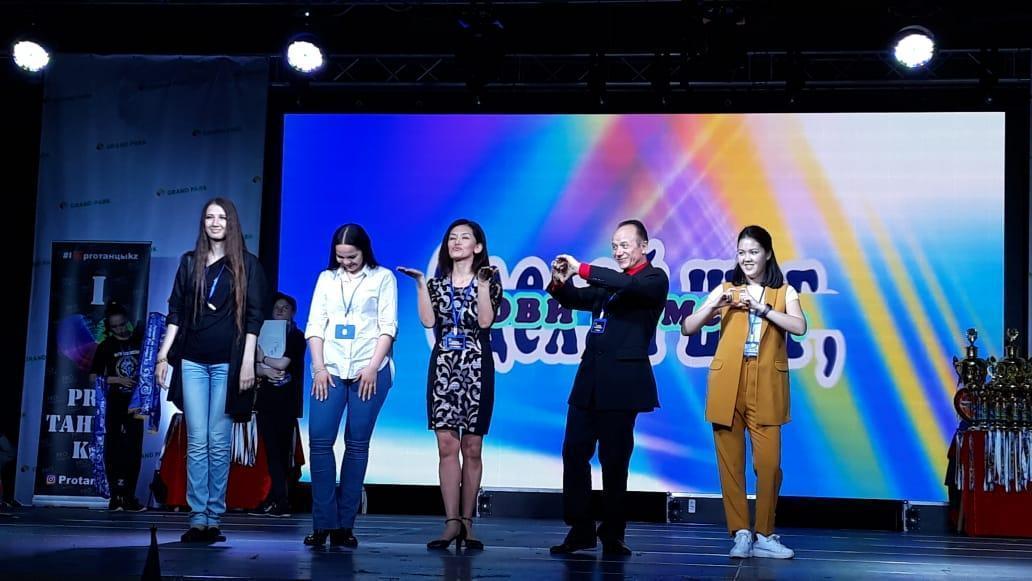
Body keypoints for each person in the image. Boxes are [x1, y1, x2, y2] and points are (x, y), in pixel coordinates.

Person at [680, 225, 807, 560]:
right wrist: (713, 307)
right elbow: (688, 327)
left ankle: (765, 533)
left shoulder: (784, 292)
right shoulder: (726, 289)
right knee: (730, 464)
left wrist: (763, 309)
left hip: (765, 382)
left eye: (753, 252)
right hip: (728, 382)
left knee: (769, 466)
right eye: (741, 252)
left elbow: (799, 326)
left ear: (767, 254)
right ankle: (740, 532)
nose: (747, 258)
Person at [546, 219, 669, 556]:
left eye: (625, 245)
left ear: (644, 246)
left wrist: (583, 268)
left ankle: (613, 532)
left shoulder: (653, 279)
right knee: (574, 453)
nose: (618, 251)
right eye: (614, 246)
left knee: (614, 460)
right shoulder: (608, 284)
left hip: (622, 384)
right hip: (589, 381)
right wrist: (560, 281)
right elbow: (574, 298)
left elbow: (627, 284)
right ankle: (580, 528)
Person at [155, 197, 268, 543]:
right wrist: (163, 356)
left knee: (218, 442)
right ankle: (197, 517)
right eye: (209, 217)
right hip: (192, 360)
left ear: (232, 223)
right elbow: (175, 311)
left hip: (228, 363)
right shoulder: (190, 262)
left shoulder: (247, 264)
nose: (215, 223)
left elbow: (254, 317)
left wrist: (247, 362)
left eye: (222, 217)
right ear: (203, 223)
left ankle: (214, 517)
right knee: (197, 440)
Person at [397, 218, 502, 551]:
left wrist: (482, 285)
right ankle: (451, 522)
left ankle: (468, 522)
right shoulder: (436, 284)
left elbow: (485, 322)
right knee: (446, 445)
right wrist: (419, 284)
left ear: (478, 246)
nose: (456, 242)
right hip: (444, 367)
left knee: (472, 446)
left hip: (476, 367)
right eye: (452, 237)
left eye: (464, 237)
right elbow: (428, 321)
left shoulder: (489, 280)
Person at [304, 224, 398, 548]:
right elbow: (315, 326)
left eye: (352, 257)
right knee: (319, 442)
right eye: (341, 257)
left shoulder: (383, 278)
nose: (346, 262)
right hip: (329, 370)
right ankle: (323, 523)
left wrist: (372, 367)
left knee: (356, 446)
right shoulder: (326, 279)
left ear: (364, 251)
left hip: (368, 371)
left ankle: (345, 525)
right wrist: (318, 368)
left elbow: (388, 327)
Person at [250, 292, 307, 517]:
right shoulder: (261, 335)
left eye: (285, 307)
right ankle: (274, 498)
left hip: (286, 402)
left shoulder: (296, 336)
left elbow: (283, 364)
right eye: (277, 308)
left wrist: (263, 359)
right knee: (271, 452)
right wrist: (264, 369)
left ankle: (282, 500)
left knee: (282, 453)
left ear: (293, 312)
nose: (280, 310)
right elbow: (251, 367)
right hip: (266, 400)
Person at [88, 302, 146, 512]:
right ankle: (115, 496)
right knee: (112, 447)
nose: (120, 329)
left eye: (122, 324)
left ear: (127, 321)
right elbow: (93, 377)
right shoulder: (106, 346)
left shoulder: (140, 340)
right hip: (114, 403)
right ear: (109, 328)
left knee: (134, 448)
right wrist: (117, 379)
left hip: (136, 404)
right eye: (115, 327)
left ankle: (129, 496)